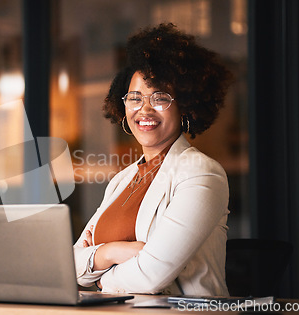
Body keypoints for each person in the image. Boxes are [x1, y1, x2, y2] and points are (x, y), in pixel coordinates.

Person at [73, 23, 233, 296]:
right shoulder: (122, 180)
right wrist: (113, 252)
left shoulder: (202, 174)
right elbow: (70, 265)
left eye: (160, 97)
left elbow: (151, 276)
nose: (144, 109)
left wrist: (98, 277)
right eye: (135, 98)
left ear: (185, 105)